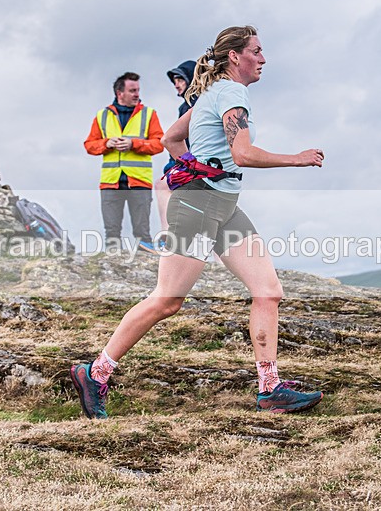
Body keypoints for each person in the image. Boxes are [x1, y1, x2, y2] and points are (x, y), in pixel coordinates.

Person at [71, 26, 325, 419]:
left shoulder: (212, 93)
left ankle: (270, 388)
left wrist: (193, 164)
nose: (263, 59)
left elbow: (172, 138)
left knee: (268, 290)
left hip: (222, 205)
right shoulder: (230, 93)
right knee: (167, 300)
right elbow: (242, 154)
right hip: (197, 206)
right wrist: (297, 158)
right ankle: (95, 373)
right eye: (256, 51)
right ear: (235, 56)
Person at [84, 71, 164, 253]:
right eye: (132, 90)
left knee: (142, 233)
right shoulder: (102, 116)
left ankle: (148, 273)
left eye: (138, 90)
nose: (137, 94)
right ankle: (112, 270)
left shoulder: (149, 114)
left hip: (139, 181)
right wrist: (106, 143)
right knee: (111, 232)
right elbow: (89, 145)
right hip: (110, 183)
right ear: (120, 93)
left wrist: (133, 144)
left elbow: (160, 144)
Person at [155, 60, 197, 248]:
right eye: (175, 81)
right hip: (192, 163)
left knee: (163, 186)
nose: (176, 84)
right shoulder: (186, 106)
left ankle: (168, 238)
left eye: (180, 79)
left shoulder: (195, 104)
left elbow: (181, 139)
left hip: (197, 164)